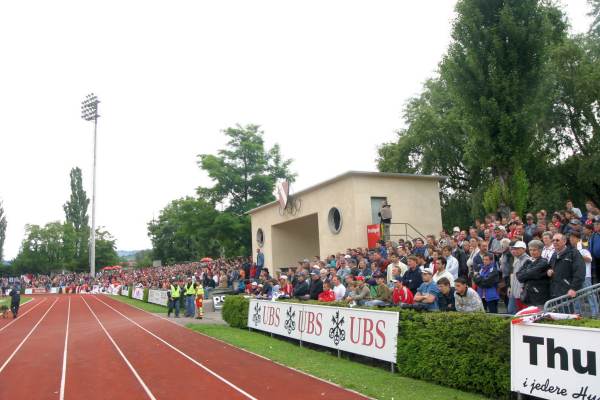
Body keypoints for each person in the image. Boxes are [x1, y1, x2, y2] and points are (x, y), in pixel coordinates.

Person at [548, 233, 585, 298]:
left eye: (557, 240)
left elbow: (579, 271)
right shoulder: (554, 255)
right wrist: (549, 270)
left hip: (569, 292)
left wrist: (574, 288)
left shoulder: (573, 253)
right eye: (553, 240)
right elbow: (549, 267)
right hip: (555, 291)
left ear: (564, 241)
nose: (554, 242)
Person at [516, 240, 551, 307]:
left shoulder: (543, 262)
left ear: (540, 250)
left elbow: (531, 273)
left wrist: (526, 273)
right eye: (530, 250)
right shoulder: (528, 261)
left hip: (539, 297)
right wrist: (528, 273)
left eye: (534, 250)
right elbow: (519, 277)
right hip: (528, 297)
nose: (532, 252)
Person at [508, 241, 530, 314]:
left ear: (524, 249)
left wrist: (522, 289)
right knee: (512, 311)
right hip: (514, 292)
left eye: (517, 249)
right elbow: (514, 277)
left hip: (521, 293)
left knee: (519, 314)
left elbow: (525, 277)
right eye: (514, 249)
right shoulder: (517, 260)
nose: (515, 250)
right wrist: (511, 287)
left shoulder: (527, 260)